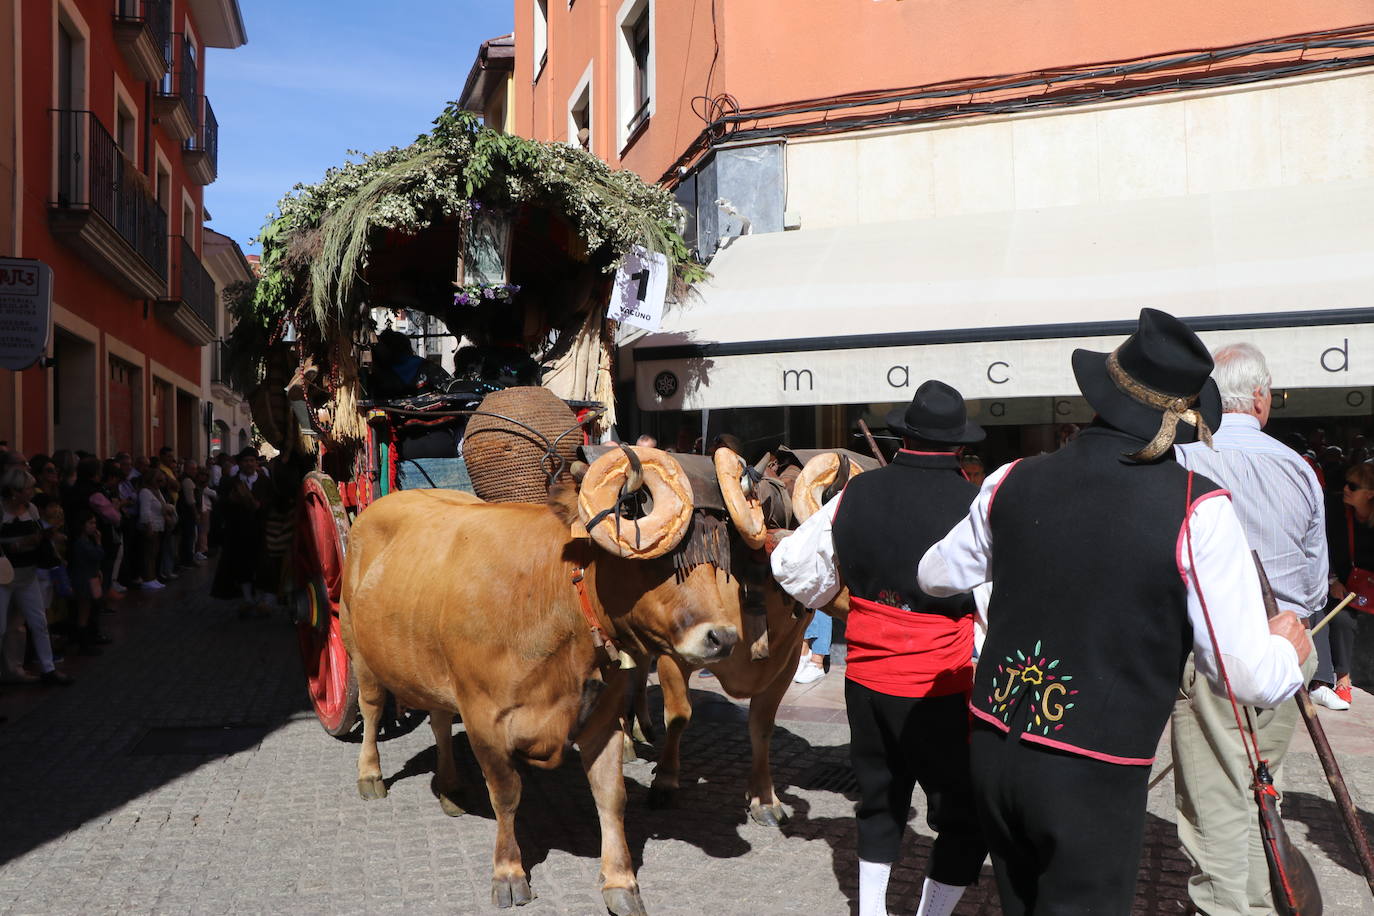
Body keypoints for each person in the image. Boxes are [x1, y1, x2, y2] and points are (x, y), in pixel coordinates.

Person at [918, 309, 1309, 914]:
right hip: (1091, 774)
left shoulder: (1012, 478)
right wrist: (1290, 648)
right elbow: (1244, 676)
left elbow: (934, 574)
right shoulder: (1197, 509)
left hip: (995, 747)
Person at [773, 380, 989, 916]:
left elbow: (792, 565)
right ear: (958, 446)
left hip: (865, 678)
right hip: (943, 685)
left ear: (902, 437)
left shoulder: (856, 493)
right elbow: (995, 597)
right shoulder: (977, 503)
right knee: (964, 814)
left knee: (879, 801)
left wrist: (842, 601)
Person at [1171, 342, 1326, 915]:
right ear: (1260, 397)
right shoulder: (1297, 467)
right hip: (1288, 642)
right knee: (1259, 785)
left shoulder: (1188, 460)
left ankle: (1239, 903)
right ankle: (1253, 896)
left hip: (1216, 651)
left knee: (1223, 796)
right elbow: (1313, 584)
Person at [0, 466, 73, 685]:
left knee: (38, 622)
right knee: (1, 628)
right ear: (15, 491)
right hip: (3, 577)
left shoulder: (31, 509)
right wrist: (20, 544)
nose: (32, 492)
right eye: (29, 488)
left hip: (28, 574)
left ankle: (48, 668)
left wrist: (44, 538)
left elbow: (37, 535)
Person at [1323, 460, 1374, 710]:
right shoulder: (1335, 512)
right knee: (1341, 618)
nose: (1345, 489)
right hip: (1344, 585)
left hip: (1370, 587)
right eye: (1345, 483)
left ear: (1370, 493)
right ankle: (1343, 679)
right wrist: (1333, 580)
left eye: (1352, 486)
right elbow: (1321, 548)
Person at [137, 470, 170, 589]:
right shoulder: (145, 492)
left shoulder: (157, 491)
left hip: (159, 525)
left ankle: (153, 577)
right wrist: (149, 526)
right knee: (148, 553)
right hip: (151, 526)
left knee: (154, 553)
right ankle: (148, 578)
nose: (161, 483)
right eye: (159, 480)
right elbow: (145, 511)